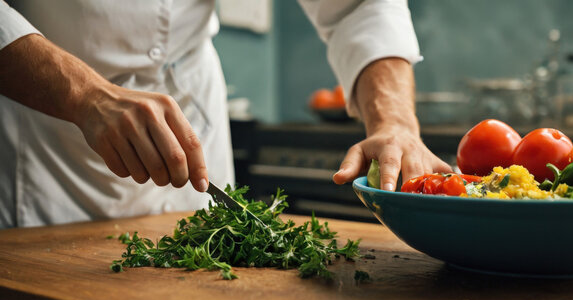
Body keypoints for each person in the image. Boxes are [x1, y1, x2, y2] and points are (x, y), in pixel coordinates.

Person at [0, 0, 451, 229]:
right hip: (45, 136)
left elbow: (357, 6)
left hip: (193, 112)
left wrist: (395, 121)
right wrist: (85, 95)